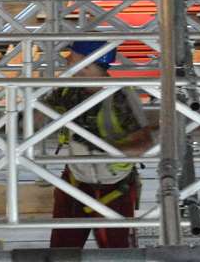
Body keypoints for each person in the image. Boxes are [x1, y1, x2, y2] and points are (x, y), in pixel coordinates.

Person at [42, 39, 157, 249]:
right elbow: (39, 113)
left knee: (116, 252)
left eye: (72, 56)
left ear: (87, 63)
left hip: (113, 187)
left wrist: (109, 152)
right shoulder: (68, 91)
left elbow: (144, 142)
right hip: (76, 180)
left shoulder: (120, 98)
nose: (67, 60)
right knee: (62, 250)